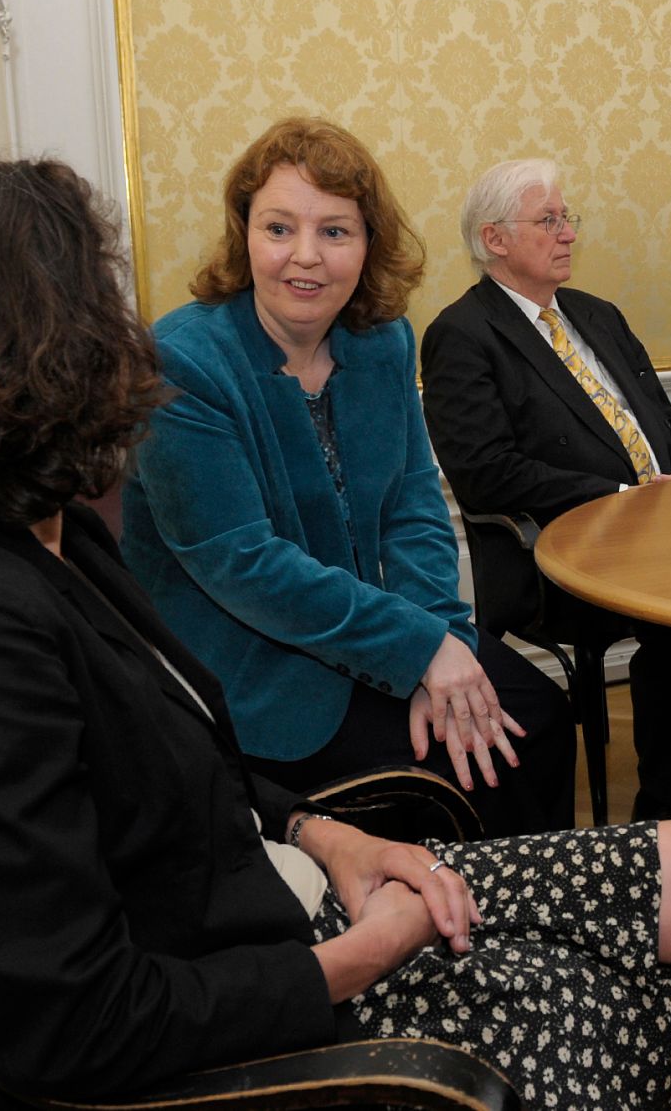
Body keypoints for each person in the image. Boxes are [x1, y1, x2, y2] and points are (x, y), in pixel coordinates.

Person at [0, 155, 671, 1111]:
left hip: (293, 893)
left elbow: (189, 764)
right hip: (271, 996)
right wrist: (371, 945)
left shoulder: (40, 535)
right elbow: (74, 1024)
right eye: (89, 310)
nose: (121, 345)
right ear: (9, 352)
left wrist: (329, 836)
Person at [120, 119, 574, 836]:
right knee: (480, 761)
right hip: (251, 670)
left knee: (540, 717)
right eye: (278, 228)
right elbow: (246, 566)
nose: (305, 257)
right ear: (244, 234)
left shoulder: (383, 338)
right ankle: (447, 934)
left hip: (372, 629)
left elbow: (414, 506)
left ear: (369, 244)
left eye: (335, 231)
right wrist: (416, 652)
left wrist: (439, 637)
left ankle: (525, 932)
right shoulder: (182, 363)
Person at [420, 159, 671, 820]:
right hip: (563, 550)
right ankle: (669, 814)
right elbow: (484, 470)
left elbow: (667, 420)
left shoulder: (596, 314)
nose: (567, 234)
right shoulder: (463, 335)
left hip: (666, 521)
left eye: (567, 218)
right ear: (495, 240)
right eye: (548, 220)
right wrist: (622, 493)